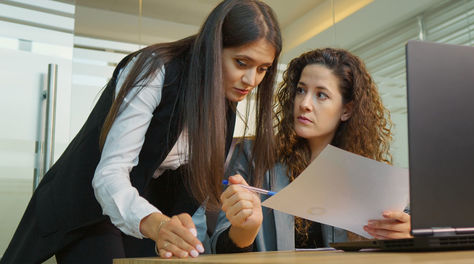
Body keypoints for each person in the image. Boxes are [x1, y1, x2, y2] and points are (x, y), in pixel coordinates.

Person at [0, 0, 281, 263]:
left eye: (263, 69)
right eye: (242, 63)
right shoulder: (154, 69)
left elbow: (177, 190)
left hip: (140, 213)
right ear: (211, 47)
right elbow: (110, 175)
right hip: (87, 205)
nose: (251, 80)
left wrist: (172, 225)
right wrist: (157, 224)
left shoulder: (225, 105)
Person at [211, 48, 411, 252]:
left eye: (321, 95)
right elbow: (218, 247)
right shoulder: (252, 154)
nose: (304, 104)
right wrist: (245, 230)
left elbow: (407, 230)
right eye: (301, 90)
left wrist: (408, 233)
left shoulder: (370, 175)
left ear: (346, 110)